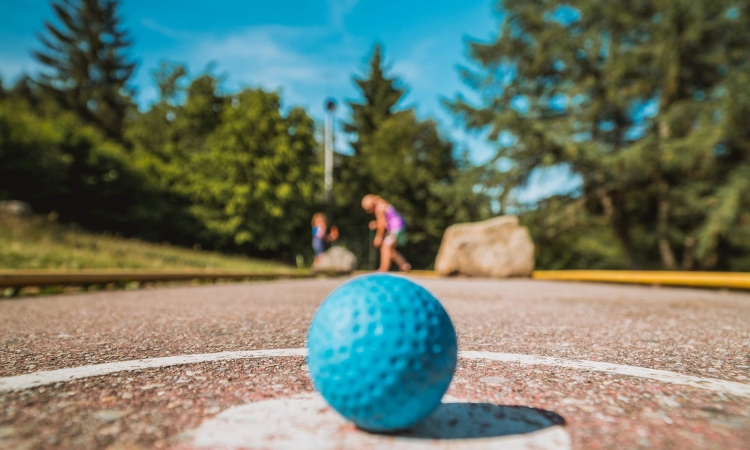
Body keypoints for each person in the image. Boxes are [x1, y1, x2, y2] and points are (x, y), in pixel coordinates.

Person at [361, 194, 411, 272]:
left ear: (371, 205)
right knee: (390, 250)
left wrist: (378, 237)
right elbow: (386, 220)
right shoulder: (382, 203)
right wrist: (376, 224)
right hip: (399, 227)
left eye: (368, 209)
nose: (368, 211)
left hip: (395, 229)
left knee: (385, 247)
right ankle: (404, 265)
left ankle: (383, 269)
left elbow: (382, 224)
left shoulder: (379, 207)